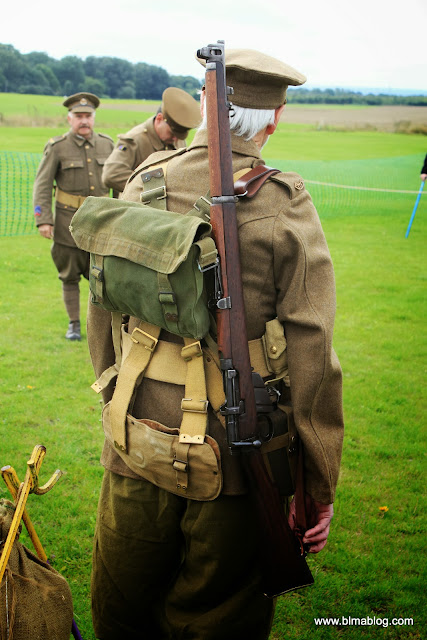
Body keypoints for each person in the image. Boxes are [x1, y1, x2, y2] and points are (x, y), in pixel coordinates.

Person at [87, 48, 344, 640]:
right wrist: (318, 482)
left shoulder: (145, 179)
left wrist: (114, 392)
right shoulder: (284, 203)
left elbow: (103, 301)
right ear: (273, 119)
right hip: (238, 449)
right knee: (219, 616)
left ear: (204, 105)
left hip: (136, 430)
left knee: (124, 608)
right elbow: (314, 348)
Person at [33, 92, 113, 341]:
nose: (84, 121)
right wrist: (43, 219)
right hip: (67, 225)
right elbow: (42, 185)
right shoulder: (57, 147)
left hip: (101, 225)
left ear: (94, 117)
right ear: (69, 119)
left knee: (103, 278)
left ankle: (101, 327)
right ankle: (74, 325)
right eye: (79, 116)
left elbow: (118, 184)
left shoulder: (107, 145)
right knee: (68, 277)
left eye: (88, 115)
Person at [101, 87, 201, 193]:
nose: (175, 139)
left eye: (179, 136)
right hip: (137, 202)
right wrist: (154, 186)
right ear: (159, 119)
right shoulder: (134, 140)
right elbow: (111, 175)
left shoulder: (176, 139)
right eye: (172, 133)